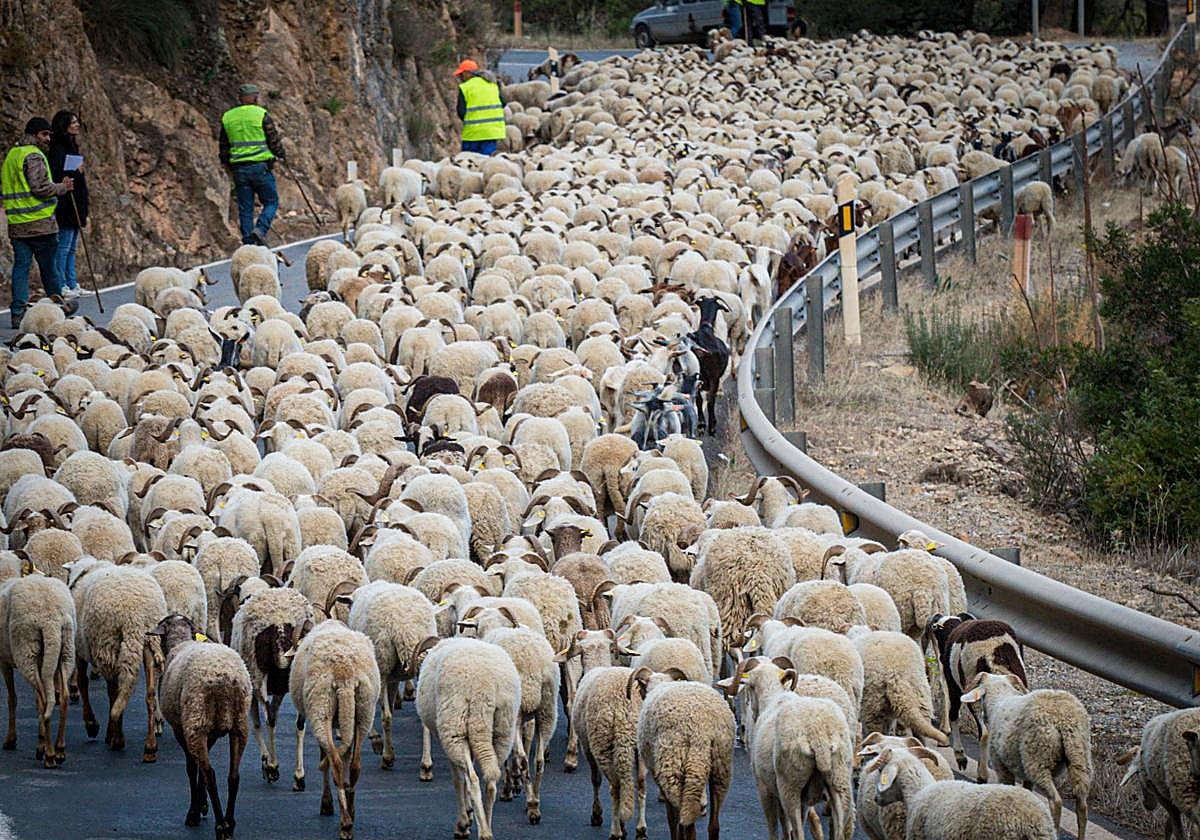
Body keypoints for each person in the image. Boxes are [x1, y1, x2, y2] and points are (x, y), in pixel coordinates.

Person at [2, 117, 78, 327]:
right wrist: (62, 187)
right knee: (49, 268)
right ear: (35, 134)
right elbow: (40, 187)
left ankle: (17, 313)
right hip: (39, 223)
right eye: (44, 134)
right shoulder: (33, 156)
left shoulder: (12, 156)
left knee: (21, 267)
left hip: (17, 223)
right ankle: (58, 307)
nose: (47, 139)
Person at [219, 83, 286, 246]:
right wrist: (281, 154)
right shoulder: (261, 114)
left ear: (240, 98)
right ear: (255, 97)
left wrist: (226, 165)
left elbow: (223, 145)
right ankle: (261, 229)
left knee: (245, 208)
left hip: (239, 169)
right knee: (271, 201)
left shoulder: (228, 117)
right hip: (260, 166)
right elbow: (273, 138)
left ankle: (249, 242)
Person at [48, 110, 87, 300]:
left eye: (77, 121)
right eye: (73, 122)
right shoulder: (59, 147)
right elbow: (57, 173)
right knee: (63, 246)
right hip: (66, 202)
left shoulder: (71, 145)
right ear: (64, 125)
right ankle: (61, 284)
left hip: (75, 202)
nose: (77, 125)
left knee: (71, 246)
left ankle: (72, 282)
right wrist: (76, 171)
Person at [454, 59, 506, 156]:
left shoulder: (465, 87)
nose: (460, 77)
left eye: (461, 74)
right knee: (486, 163)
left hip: (473, 133)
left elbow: (461, 111)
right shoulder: (492, 84)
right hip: (491, 132)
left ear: (467, 73)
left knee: (469, 163)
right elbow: (503, 103)